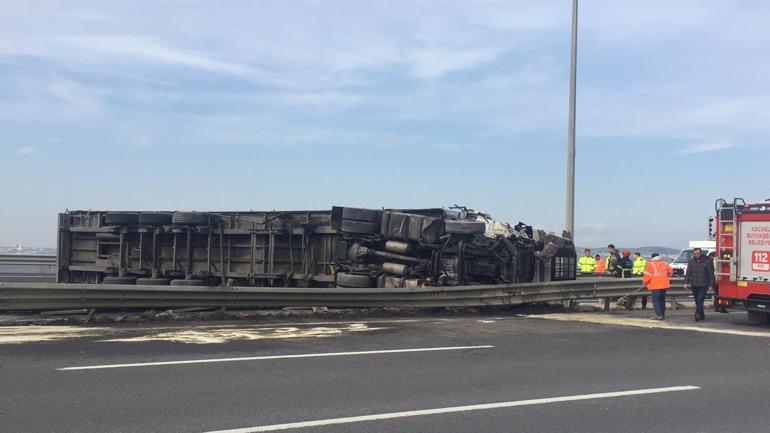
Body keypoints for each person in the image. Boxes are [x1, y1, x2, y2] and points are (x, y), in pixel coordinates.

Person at [685, 247, 715, 321]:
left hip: (703, 284)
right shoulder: (691, 262)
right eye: (695, 253)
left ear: (701, 253)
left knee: (700, 300)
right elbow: (688, 273)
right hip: (694, 284)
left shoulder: (707, 262)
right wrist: (686, 282)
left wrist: (711, 285)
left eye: (698, 253)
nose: (697, 255)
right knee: (697, 300)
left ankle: (697, 315)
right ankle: (702, 315)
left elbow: (711, 274)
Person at [643, 253, 673, 320]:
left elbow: (648, 275)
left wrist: (645, 282)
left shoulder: (650, 264)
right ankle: (662, 314)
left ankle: (658, 315)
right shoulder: (665, 263)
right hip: (664, 285)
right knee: (662, 300)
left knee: (656, 300)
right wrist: (666, 277)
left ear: (652, 257)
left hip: (655, 285)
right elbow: (671, 272)